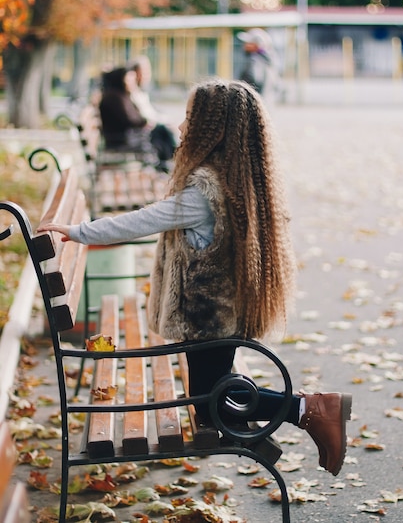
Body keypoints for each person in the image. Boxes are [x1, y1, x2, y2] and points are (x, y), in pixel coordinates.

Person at [38, 78, 351, 477]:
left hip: (206, 318)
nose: (182, 127)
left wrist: (77, 231)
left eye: (190, 119)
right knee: (212, 396)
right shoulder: (233, 180)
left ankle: (311, 408)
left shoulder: (203, 191)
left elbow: (140, 222)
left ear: (211, 130)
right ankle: (305, 410)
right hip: (220, 315)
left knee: (211, 401)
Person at [99, 66, 175, 171]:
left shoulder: (118, 96)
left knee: (160, 131)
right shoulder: (115, 98)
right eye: (128, 79)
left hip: (127, 136)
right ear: (121, 79)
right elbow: (129, 119)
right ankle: (165, 163)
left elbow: (132, 117)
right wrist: (145, 122)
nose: (131, 82)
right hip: (122, 139)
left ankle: (166, 162)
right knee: (159, 132)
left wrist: (145, 122)